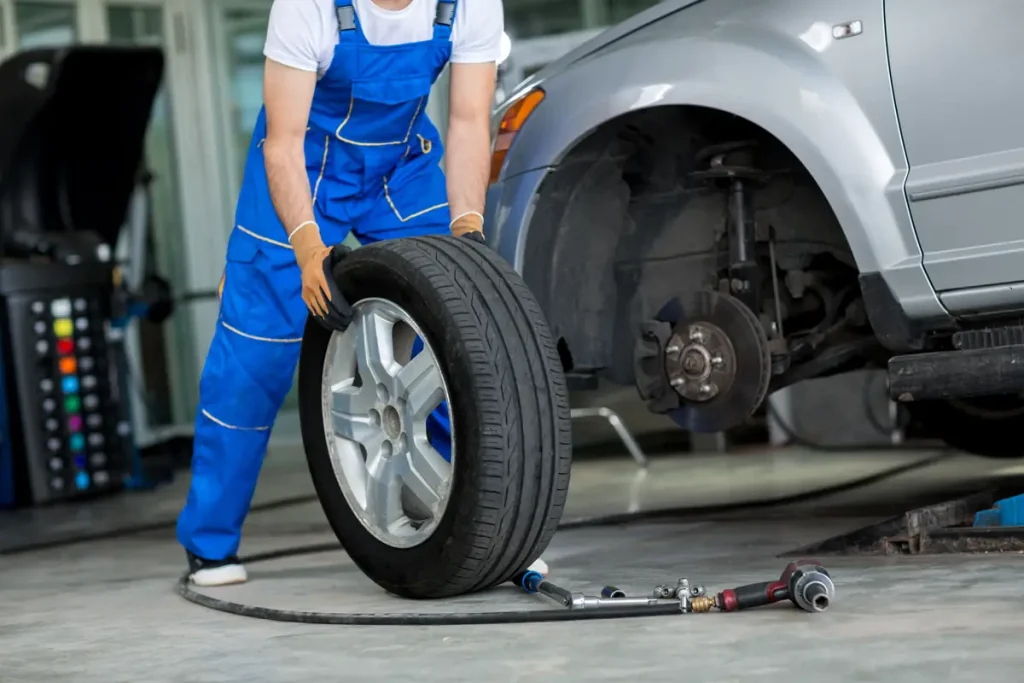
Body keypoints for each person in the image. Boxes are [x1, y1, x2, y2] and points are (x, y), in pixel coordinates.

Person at [176, 0, 548, 586]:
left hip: (400, 166)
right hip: (302, 167)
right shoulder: (307, 8)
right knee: (252, 356)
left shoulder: (469, 4)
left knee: (460, 330)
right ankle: (210, 540)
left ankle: (493, 531)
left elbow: (469, 120)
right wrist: (306, 250)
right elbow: (281, 143)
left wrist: (468, 232)